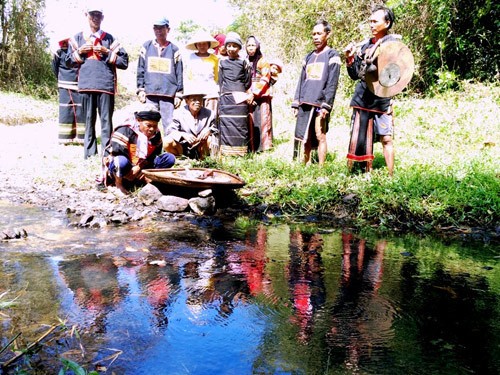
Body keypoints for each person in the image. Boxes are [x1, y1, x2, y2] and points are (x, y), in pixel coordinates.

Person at [66, 4, 129, 159]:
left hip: (105, 85)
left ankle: (107, 153)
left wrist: (108, 52)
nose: (95, 18)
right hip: (86, 85)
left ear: (102, 18)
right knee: (88, 120)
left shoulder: (110, 39)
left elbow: (124, 62)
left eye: (98, 15)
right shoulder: (77, 38)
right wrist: (80, 51)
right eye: (92, 15)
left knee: (106, 121)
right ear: (86, 16)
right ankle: (89, 153)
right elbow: (68, 62)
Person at [344, 5, 397, 175]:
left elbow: (396, 75)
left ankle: (390, 175)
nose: (372, 25)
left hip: (382, 97)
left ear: (387, 23)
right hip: (363, 96)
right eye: (370, 22)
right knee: (358, 136)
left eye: (375, 21)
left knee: (386, 137)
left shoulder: (393, 45)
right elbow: (355, 75)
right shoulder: (366, 45)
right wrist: (350, 58)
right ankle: (359, 172)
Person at [291, 20, 341, 166]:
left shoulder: (332, 55)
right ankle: (305, 164)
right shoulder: (308, 57)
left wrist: (326, 105)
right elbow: (301, 81)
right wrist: (296, 102)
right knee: (304, 136)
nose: (316, 37)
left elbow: (332, 82)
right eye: (313, 34)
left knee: (320, 135)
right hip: (305, 100)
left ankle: (321, 167)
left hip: (320, 102)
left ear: (328, 34)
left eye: (319, 33)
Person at [102, 104, 176, 195]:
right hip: (125, 169)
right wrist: (133, 169)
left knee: (169, 158)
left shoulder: (155, 134)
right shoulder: (125, 130)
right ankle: (119, 184)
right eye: (148, 125)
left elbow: (155, 154)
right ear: (138, 120)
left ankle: (149, 179)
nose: (152, 129)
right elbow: (117, 153)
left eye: (155, 125)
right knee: (120, 161)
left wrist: (141, 168)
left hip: (142, 166)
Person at [137, 17, 183, 136]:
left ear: (168, 29)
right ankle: (149, 151)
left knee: (169, 125)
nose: (159, 31)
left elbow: (179, 72)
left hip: (168, 94)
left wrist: (179, 93)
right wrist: (140, 90)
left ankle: (170, 153)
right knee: (149, 124)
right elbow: (140, 69)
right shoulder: (146, 47)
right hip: (150, 93)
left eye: (162, 28)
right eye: (156, 28)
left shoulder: (174, 49)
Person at [217, 32, 253, 156]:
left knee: (240, 124)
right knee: (226, 123)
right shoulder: (222, 62)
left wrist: (243, 92)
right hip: (226, 98)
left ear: (239, 48)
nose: (231, 49)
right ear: (225, 47)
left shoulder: (244, 62)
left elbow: (247, 81)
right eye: (229, 46)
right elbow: (220, 81)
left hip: (240, 99)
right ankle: (226, 152)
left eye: (234, 46)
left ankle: (241, 152)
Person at [163, 89, 217, 160]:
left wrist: (209, 130)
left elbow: (217, 127)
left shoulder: (210, 113)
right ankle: (180, 159)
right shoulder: (178, 113)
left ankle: (204, 160)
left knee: (211, 139)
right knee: (167, 141)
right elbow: (170, 130)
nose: (197, 102)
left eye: (200, 99)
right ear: (187, 101)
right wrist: (183, 135)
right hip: (184, 146)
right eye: (194, 100)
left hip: (201, 146)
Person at [51, 35, 85, 145]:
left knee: (70, 110)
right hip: (73, 84)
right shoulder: (73, 52)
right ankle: (75, 138)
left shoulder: (61, 52)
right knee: (76, 110)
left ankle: (75, 138)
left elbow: (54, 68)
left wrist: (60, 78)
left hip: (70, 84)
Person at [245, 36, 273, 152]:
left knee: (264, 121)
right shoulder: (244, 61)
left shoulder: (263, 61)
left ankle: (265, 149)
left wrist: (254, 93)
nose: (251, 48)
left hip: (261, 96)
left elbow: (265, 79)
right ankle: (252, 148)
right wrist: (247, 93)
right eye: (248, 45)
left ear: (257, 46)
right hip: (248, 95)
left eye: (253, 45)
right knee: (251, 121)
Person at [184, 30, 219, 113]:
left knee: (211, 115)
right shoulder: (190, 58)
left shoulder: (215, 58)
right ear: (196, 45)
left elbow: (216, 77)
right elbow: (188, 76)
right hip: (195, 92)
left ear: (208, 44)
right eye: (199, 44)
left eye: (204, 44)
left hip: (211, 92)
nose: (202, 46)